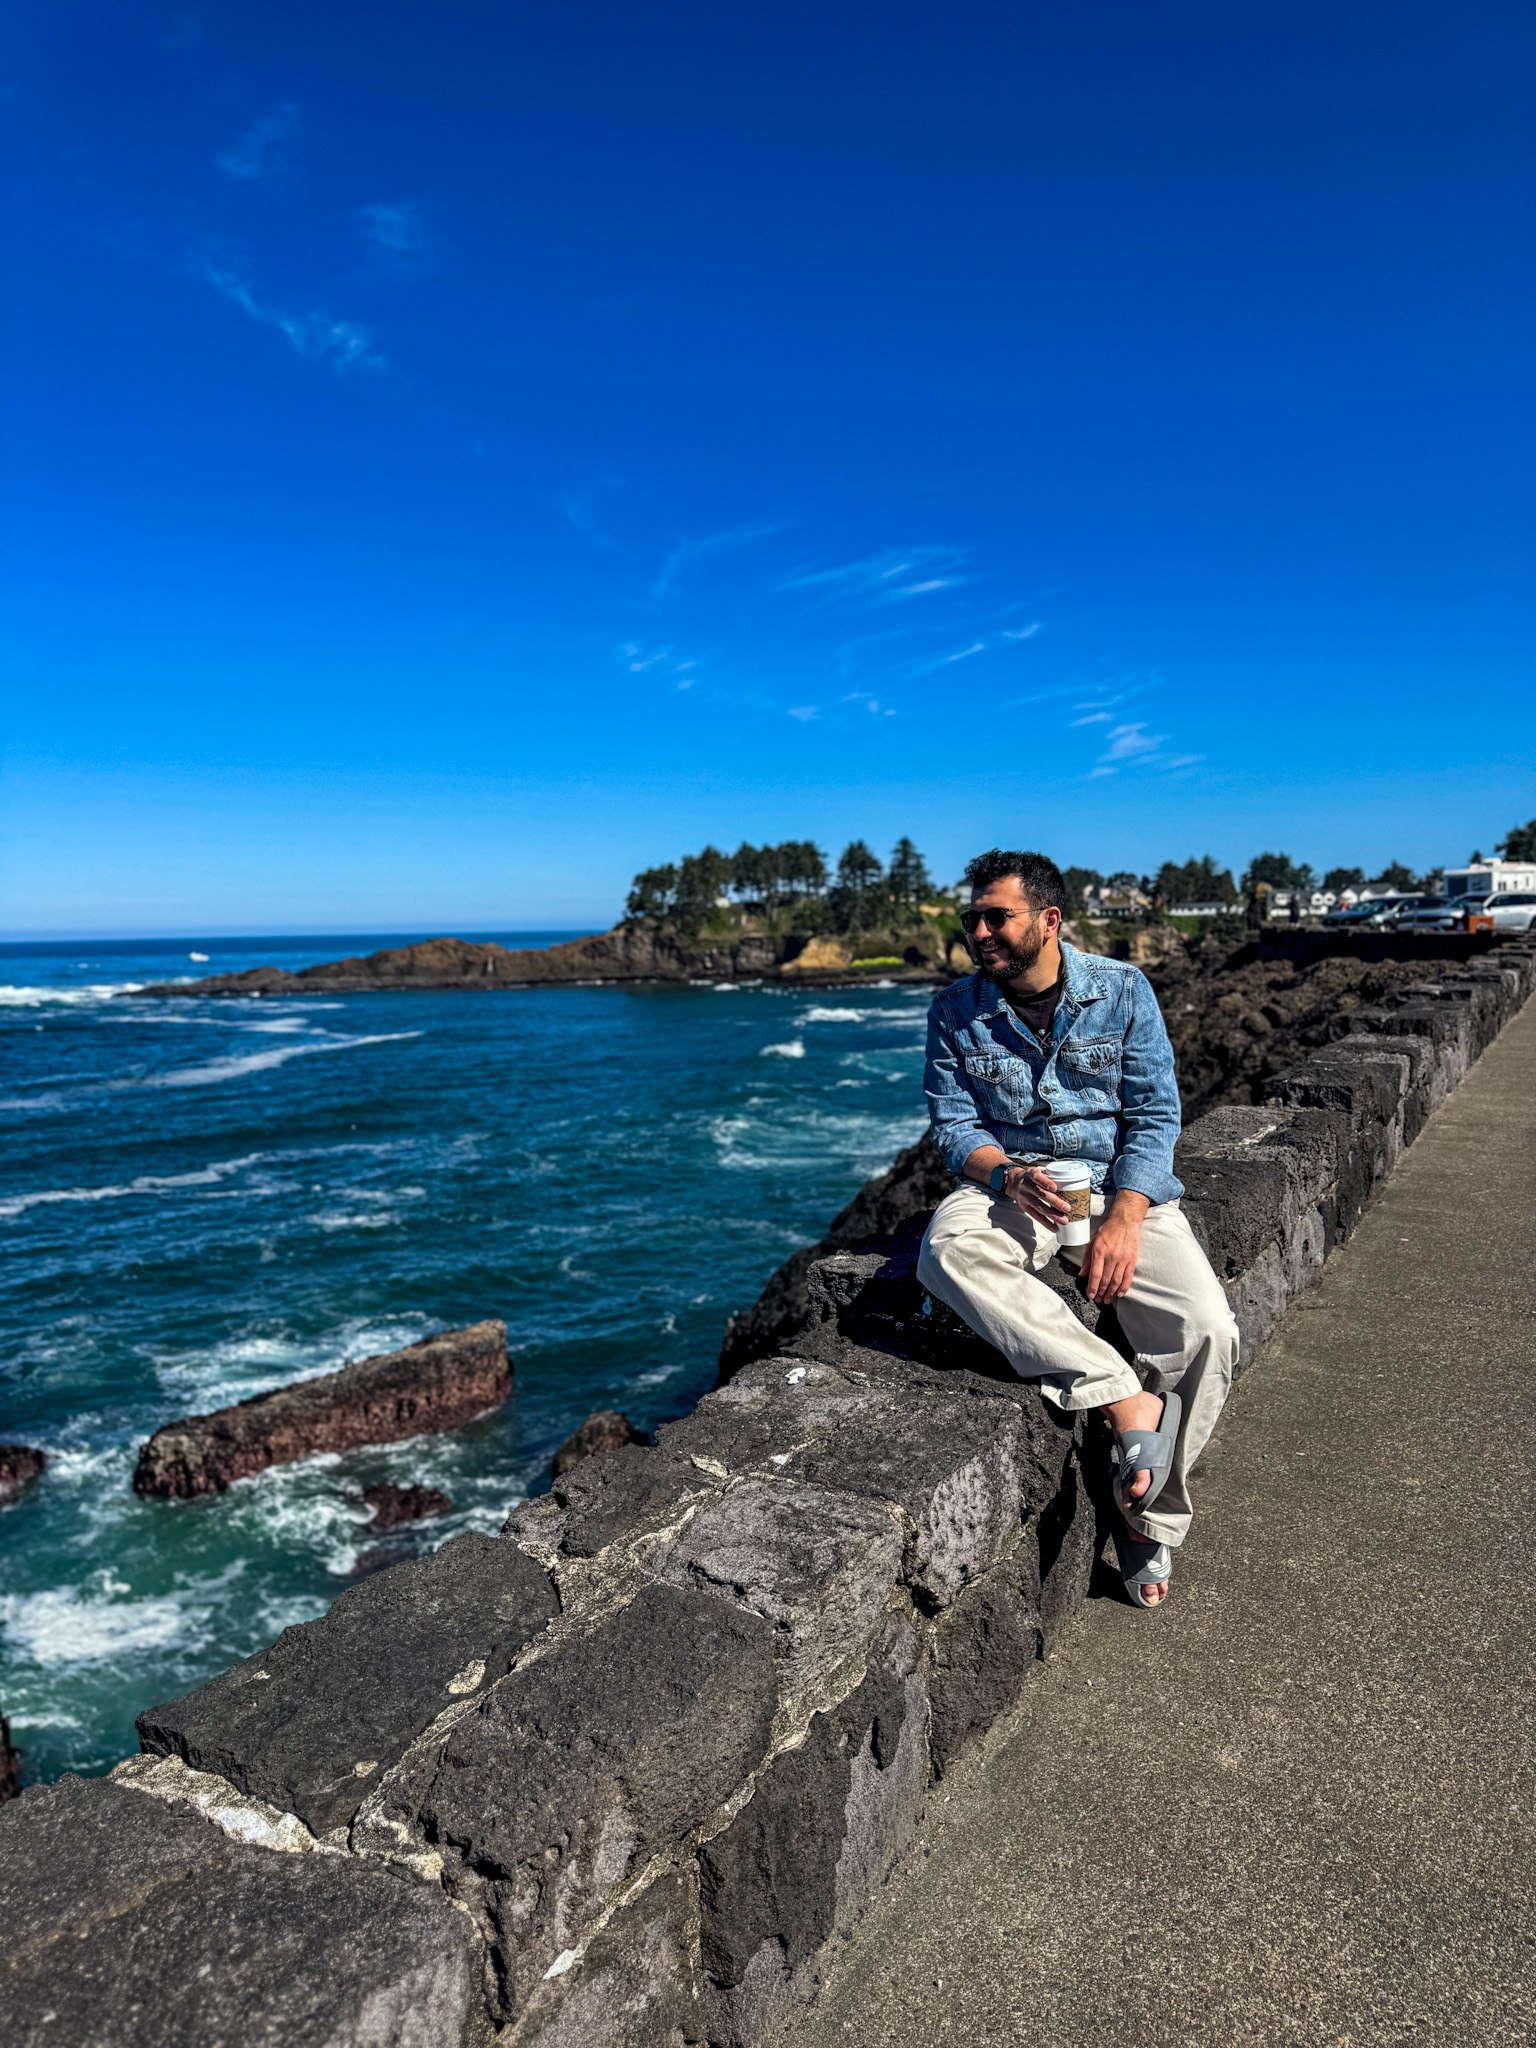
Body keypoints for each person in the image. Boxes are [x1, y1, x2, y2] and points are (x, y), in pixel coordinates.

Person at [918, 849, 1238, 1610]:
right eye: (974, 918)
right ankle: (1124, 1401)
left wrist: (1127, 1217)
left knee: (1209, 1328)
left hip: (1116, 1186)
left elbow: (1156, 1116)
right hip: (1018, 1181)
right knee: (947, 1251)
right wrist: (1006, 1175)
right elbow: (953, 1127)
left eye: (999, 916)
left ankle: (1143, 1519)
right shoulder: (955, 1009)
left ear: (1049, 920)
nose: (981, 931)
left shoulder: (1123, 992)